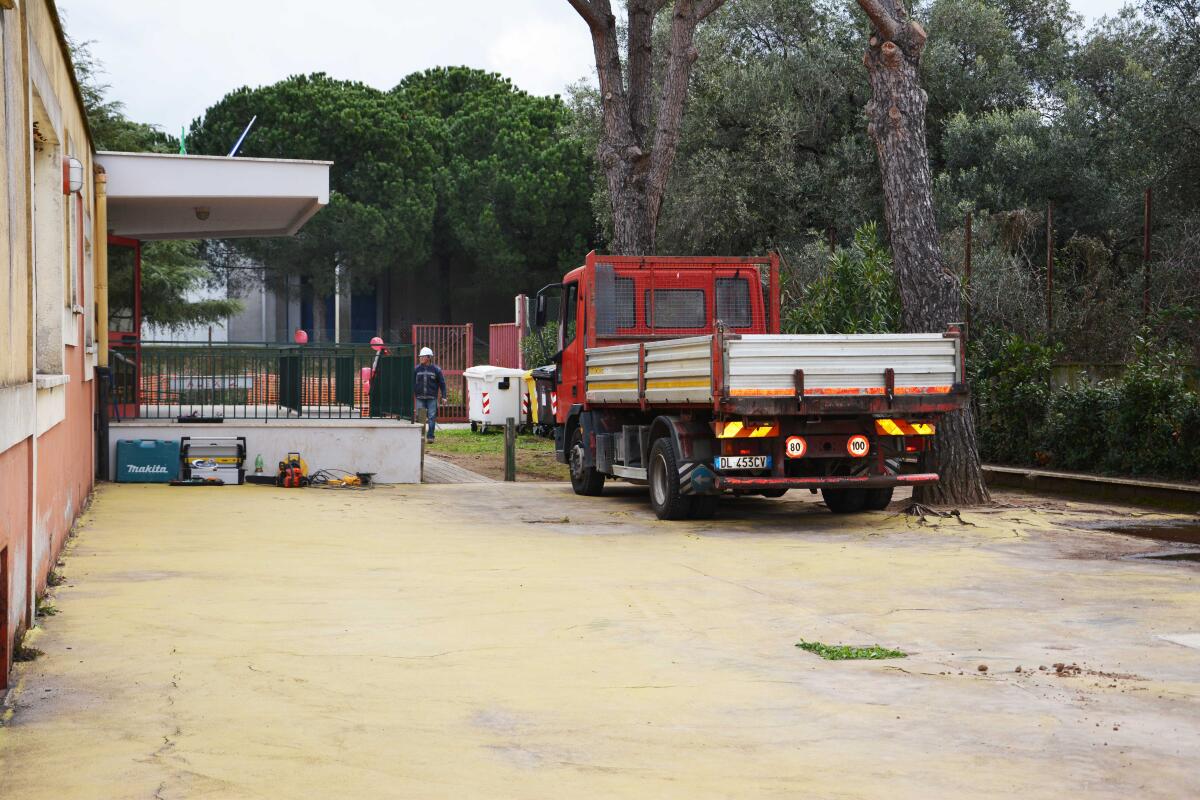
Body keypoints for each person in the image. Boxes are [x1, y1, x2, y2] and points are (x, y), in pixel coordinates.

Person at [414, 347, 447, 442]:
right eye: (420, 356)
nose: (420, 358)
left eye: (423, 356)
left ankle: (430, 437)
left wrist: (444, 397)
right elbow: (412, 382)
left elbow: (442, 384)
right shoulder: (416, 369)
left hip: (432, 398)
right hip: (420, 397)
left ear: (428, 357)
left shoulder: (436, 370)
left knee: (432, 417)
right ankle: (420, 437)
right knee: (420, 418)